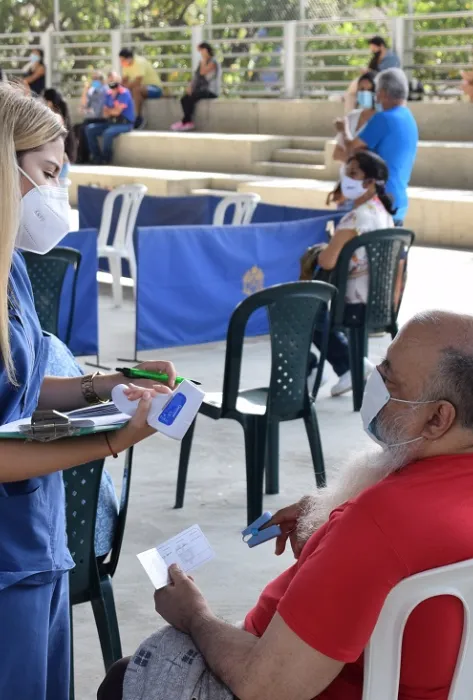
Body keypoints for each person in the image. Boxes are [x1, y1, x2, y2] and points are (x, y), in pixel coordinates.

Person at [99, 309, 473, 700]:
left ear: (437, 418)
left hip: (290, 678)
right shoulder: (421, 492)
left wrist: (194, 614)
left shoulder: (378, 522)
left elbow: (266, 685)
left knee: (124, 678)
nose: (372, 382)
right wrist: (330, 528)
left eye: (389, 379)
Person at [0, 81, 178, 700]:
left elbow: (18, 393)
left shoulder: (11, 264)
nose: (56, 192)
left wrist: (107, 385)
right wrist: (110, 441)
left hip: (35, 539)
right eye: (48, 173)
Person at [310, 150, 395, 397]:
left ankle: (340, 366)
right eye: (346, 172)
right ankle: (345, 365)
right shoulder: (385, 214)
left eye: (353, 173)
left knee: (306, 311)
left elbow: (327, 261)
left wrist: (322, 249)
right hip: (380, 301)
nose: (346, 178)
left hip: (354, 303)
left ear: (370, 182)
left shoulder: (355, 218)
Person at [340, 68, 418, 226]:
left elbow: (351, 150)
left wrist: (343, 129)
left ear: (382, 93)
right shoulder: (408, 117)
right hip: (397, 201)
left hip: (377, 204)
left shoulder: (383, 119)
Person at [85, 72, 135, 165]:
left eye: (113, 80)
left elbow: (117, 112)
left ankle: (106, 158)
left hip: (125, 124)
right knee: (90, 129)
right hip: (111, 122)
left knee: (108, 133)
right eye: (110, 80)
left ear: (119, 81)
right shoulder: (108, 94)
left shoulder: (124, 93)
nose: (111, 82)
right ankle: (97, 157)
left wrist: (111, 111)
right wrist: (112, 111)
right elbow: (105, 114)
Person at [171, 42, 220, 132]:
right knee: (184, 99)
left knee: (191, 98)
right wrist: (190, 87)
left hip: (210, 91)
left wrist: (203, 60)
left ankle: (187, 122)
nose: (200, 53)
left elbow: (203, 72)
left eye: (201, 51)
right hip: (201, 90)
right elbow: (197, 76)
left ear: (206, 50)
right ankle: (186, 121)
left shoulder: (213, 62)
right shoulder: (202, 62)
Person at [345, 36, 401, 114]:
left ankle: (350, 113)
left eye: (374, 48)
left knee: (355, 89)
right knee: (356, 90)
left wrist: (370, 72)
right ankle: (352, 113)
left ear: (381, 46)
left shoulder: (391, 58)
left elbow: (386, 75)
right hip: (373, 83)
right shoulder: (377, 58)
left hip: (384, 84)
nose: (373, 51)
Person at [119, 48, 162, 129]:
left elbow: (137, 82)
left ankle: (139, 118)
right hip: (141, 90)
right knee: (124, 91)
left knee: (136, 89)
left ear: (129, 58)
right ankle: (122, 117)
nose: (121, 63)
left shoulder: (139, 62)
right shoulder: (126, 65)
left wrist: (124, 87)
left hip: (155, 89)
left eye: (122, 60)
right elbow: (124, 81)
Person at [43, 87, 77, 185]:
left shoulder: (56, 118)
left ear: (49, 102)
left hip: (59, 163)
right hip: (62, 162)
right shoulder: (61, 115)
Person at [74, 71, 108, 164]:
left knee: (84, 129)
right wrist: (85, 91)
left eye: (96, 79)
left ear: (102, 80)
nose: (94, 81)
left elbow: (96, 112)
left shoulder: (104, 91)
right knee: (76, 127)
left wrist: (86, 111)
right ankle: (81, 156)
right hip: (91, 118)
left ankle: (90, 157)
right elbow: (83, 106)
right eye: (93, 79)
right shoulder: (92, 91)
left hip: (101, 119)